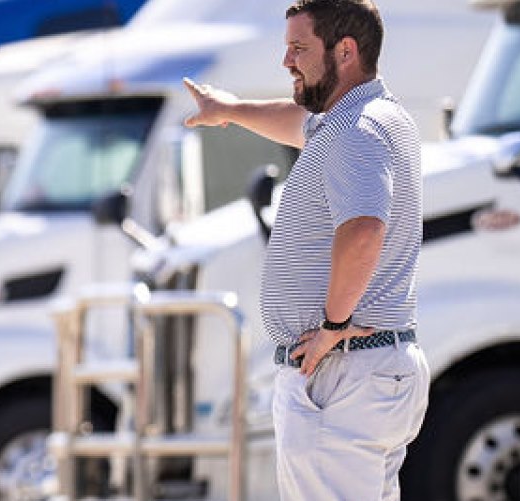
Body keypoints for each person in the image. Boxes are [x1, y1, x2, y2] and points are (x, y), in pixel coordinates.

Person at [182, 0, 427, 499]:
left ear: (345, 51)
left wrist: (333, 328)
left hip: (342, 375)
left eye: (298, 48)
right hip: (369, 371)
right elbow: (298, 123)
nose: (286, 62)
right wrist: (229, 110)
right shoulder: (368, 117)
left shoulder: (355, 130)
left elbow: (363, 231)